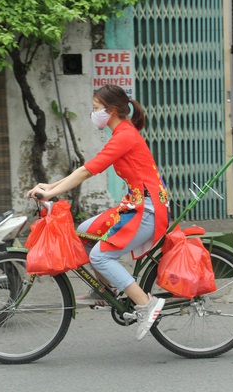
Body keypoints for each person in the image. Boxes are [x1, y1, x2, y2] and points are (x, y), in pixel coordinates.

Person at [26, 84, 170, 341]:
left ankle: (147, 305)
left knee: (102, 257)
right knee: (83, 232)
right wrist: (51, 186)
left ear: (111, 111)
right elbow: (86, 167)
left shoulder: (125, 135)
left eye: (95, 109)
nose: (93, 114)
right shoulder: (121, 132)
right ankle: (104, 289)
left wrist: (50, 192)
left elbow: (87, 170)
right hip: (134, 205)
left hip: (147, 210)